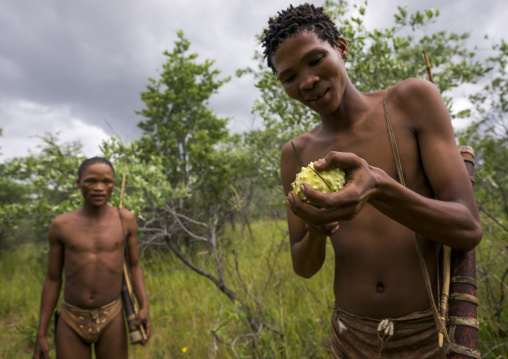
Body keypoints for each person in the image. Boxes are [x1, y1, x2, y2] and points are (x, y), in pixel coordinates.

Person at [262, 4, 482, 358]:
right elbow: (303, 267)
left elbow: (468, 228)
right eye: (289, 77)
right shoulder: (297, 154)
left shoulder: (411, 101)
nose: (306, 81)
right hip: (351, 337)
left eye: (316, 59)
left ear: (342, 47)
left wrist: (379, 188)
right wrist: (318, 230)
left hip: (429, 334)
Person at [33, 157, 151, 359]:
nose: (99, 188)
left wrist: (144, 306)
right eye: (90, 181)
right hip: (71, 318)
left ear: (114, 184)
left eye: (106, 182)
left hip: (111, 315)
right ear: (78, 183)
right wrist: (41, 332)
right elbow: (53, 279)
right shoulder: (61, 225)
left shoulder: (126, 220)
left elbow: (134, 266)